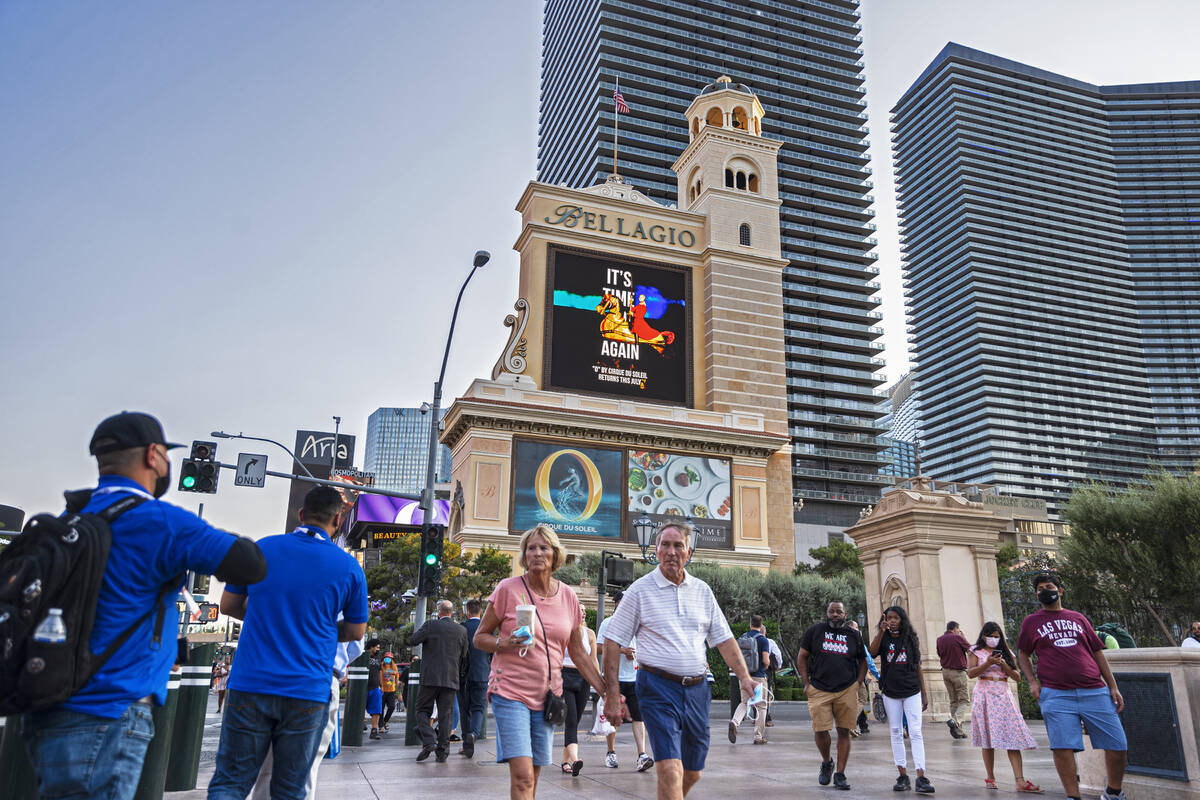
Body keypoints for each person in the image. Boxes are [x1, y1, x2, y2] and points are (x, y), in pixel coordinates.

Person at [21, 411, 266, 800]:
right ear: (153, 455)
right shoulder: (160, 521)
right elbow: (250, 563)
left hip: (46, 708)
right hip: (111, 711)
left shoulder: (73, 517)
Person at [209, 485, 367, 800]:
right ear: (337, 519)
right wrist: (315, 626)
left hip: (250, 684)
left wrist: (270, 618)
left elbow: (227, 606)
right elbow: (356, 631)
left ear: (300, 515)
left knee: (230, 782)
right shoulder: (349, 567)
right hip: (307, 690)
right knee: (290, 789)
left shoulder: (260, 549)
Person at [602, 521, 758, 800]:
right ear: (656, 550)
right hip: (656, 687)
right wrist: (612, 693)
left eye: (678, 546)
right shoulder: (639, 591)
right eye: (665, 545)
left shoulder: (702, 590)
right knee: (670, 770)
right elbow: (613, 642)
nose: (671, 551)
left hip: (698, 689)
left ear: (688, 552)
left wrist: (745, 677)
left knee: (693, 771)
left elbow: (724, 640)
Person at [471, 525, 606, 800]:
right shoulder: (507, 589)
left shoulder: (569, 596)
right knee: (521, 776)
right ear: (524, 554)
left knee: (533, 776)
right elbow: (479, 638)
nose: (537, 553)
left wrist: (607, 693)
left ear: (555, 554)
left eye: (543, 548)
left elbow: (578, 652)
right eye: (531, 548)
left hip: (548, 697)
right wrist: (503, 643)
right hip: (509, 690)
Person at [1017, 573, 1128, 800]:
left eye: (1048, 586)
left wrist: (1112, 686)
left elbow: (1098, 652)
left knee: (1118, 744)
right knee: (1062, 747)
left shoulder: (1078, 618)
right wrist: (1032, 682)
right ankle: (1073, 796)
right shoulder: (1031, 622)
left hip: (1094, 690)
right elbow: (1023, 653)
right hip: (1056, 693)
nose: (1044, 591)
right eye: (1039, 589)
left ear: (1060, 591)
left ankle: (1114, 792)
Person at [249, 630, 365, 800]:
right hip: (320, 675)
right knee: (304, 767)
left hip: (276, 672)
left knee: (267, 766)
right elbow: (356, 642)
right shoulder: (344, 603)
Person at [798, 601, 867, 791]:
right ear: (827, 613)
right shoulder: (814, 631)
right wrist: (806, 683)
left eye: (839, 612)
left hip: (846, 689)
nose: (835, 614)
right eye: (832, 611)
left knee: (844, 731)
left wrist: (858, 682)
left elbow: (863, 660)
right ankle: (827, 762)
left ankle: (840, 774)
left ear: (845, 614)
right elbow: (802, 656)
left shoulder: (853, 635)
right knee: (820, 731)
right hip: (819, 688)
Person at [967, 621, 1040, 793]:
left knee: (1012, 736)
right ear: (983, 636)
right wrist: (987, 663)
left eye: (997, 636)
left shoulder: (1007, 653)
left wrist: (1003, 665)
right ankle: (990, 777)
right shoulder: (975, 651)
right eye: (990, 636)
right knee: (987, 738)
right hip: (984, 693)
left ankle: (1020, 780)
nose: (993, 639)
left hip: (1003, 693)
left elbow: (1017, 677)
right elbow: (970, 673)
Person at [869, 606, 934, 794]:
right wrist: (880, 631)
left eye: (895, 618)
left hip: (912, 690)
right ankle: (902, 775)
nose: (892, 621)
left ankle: (921, 776)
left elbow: (917, 666)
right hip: (891, 691)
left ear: (902, 619)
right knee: (896, 731)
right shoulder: (884, 638)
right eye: (889, 618)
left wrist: (924, 692)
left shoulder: (910, 638)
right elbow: (872, 652)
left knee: (915, 732)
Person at [596, 590, 653, 772]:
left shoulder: (638, 625)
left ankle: (642, 754)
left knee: (639, 716)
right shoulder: (608, 623)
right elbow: (598, 648)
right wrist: (622, 651)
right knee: (614, 716)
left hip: (634, 677)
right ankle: (611, 752)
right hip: (615, 679)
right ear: (617, 604)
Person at [410, 599, 469, 762]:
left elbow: (414, 640)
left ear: (439, 612)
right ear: (452, 613)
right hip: (450, 678)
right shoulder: (461, 630)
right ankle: (442, 753)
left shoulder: (431, 625)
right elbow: (464, 654)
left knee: (422, 710)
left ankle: (429, 741)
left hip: (430, 677)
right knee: (445, 716)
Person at [560, 620, 599, 775]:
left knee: (574, 722)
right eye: (580, 609)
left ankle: (564, 761)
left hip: (583, 678)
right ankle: (576, 759)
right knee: (571, 720)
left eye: (583, 610)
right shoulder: (564, 630)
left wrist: (599, 682)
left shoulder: (590, 633)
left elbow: (593, 659)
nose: (582, 612)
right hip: (565, 675)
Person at [728, 614, 770, 745]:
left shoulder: (743, 638)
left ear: (750, 624)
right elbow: (766, 660)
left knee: (745, 703)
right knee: (761, 706)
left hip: (744, 676)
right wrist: (765, 667)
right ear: (761, 624)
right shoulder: (763, 640)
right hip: (759, 676)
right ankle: (759, 737)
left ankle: (734, 722)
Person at [459, 598, 490, 755]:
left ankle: (466, 743)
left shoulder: (462, 628)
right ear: (481, 612)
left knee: (465, 710)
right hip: (482, 674)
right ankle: (474, 735)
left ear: (467, 612)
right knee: (478, 708)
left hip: (464, 676)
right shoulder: (486, 629)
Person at [935, 621, 971, 739]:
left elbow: (940, 654)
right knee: (964, 700)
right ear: (955, 629)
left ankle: (958, 731)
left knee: (953, 701)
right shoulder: (957, 637)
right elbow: (970, 650)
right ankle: (955, 721)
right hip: (958, 672)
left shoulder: (939, 639)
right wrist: (963, 637)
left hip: (945, 672)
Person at [846, 619, 879, 736]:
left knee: (852, 702)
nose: (859, 630)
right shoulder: (858, 642)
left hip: (845, 678)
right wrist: (877, 676)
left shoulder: (843, 641)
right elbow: (867, 661)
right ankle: (849, 725)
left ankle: (854, 726)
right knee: (861, 698)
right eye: (856, 628)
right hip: (856, 677)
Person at [364, 639, 383, 739]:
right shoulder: (362, 655)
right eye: (377, 647)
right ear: (371, 647)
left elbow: (380, 672)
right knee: (360, 706)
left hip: (375, 686)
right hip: (362, 687)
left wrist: (382, 685)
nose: (378, 649)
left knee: (377, 708)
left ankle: (374, 730)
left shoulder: (378, 658)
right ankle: (360, 723)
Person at [380, 651, 400, 733]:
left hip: (391, 690)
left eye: (390, 658)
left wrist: (398, 688)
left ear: (392, 659)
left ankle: (385, 721)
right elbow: (379, 677)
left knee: (391, 707)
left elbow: (397, 677)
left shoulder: (394, 666)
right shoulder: (381, 666)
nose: (388, 659)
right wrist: (380, 686)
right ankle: (380, 726)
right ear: (384, 658)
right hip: (382, 690)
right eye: (386, 658)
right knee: (380, 709)